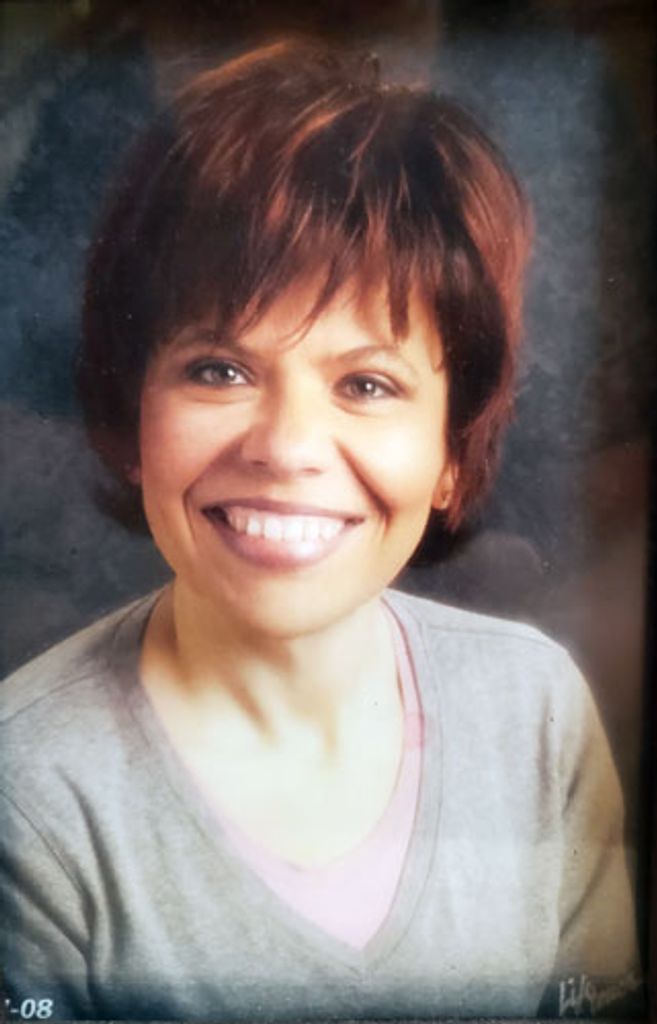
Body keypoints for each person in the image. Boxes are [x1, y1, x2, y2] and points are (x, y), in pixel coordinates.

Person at [0, 37, 641, 1021]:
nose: (287, 447)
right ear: (133, 420)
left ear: (452, 453)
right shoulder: (27, 785)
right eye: (219, 369)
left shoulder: (538, 712)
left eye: (367, 384)